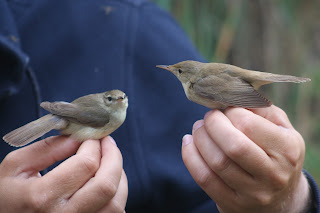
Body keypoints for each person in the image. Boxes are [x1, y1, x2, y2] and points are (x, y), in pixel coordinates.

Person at [0, 0, 319, 212]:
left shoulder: (131, 30)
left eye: (177, 70)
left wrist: (290, 201)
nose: (170, 71)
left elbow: (211, 200)